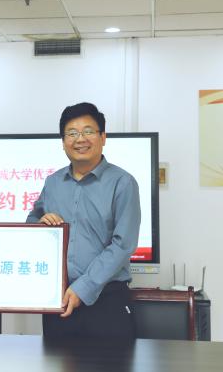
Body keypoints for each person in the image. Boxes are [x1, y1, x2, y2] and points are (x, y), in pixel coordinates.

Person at [27, 102, 141, 341]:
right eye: (72, 133)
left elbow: (123, 245)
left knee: (110, 361)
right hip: (59, 299)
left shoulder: (123, 183)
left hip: (107, 300)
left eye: (88, 131)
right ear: (63, 141)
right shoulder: (53, 182)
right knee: (56, 360)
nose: (80, 139)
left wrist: (83, 287)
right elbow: (32, 221)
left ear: (103, 137)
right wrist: (40, 224)